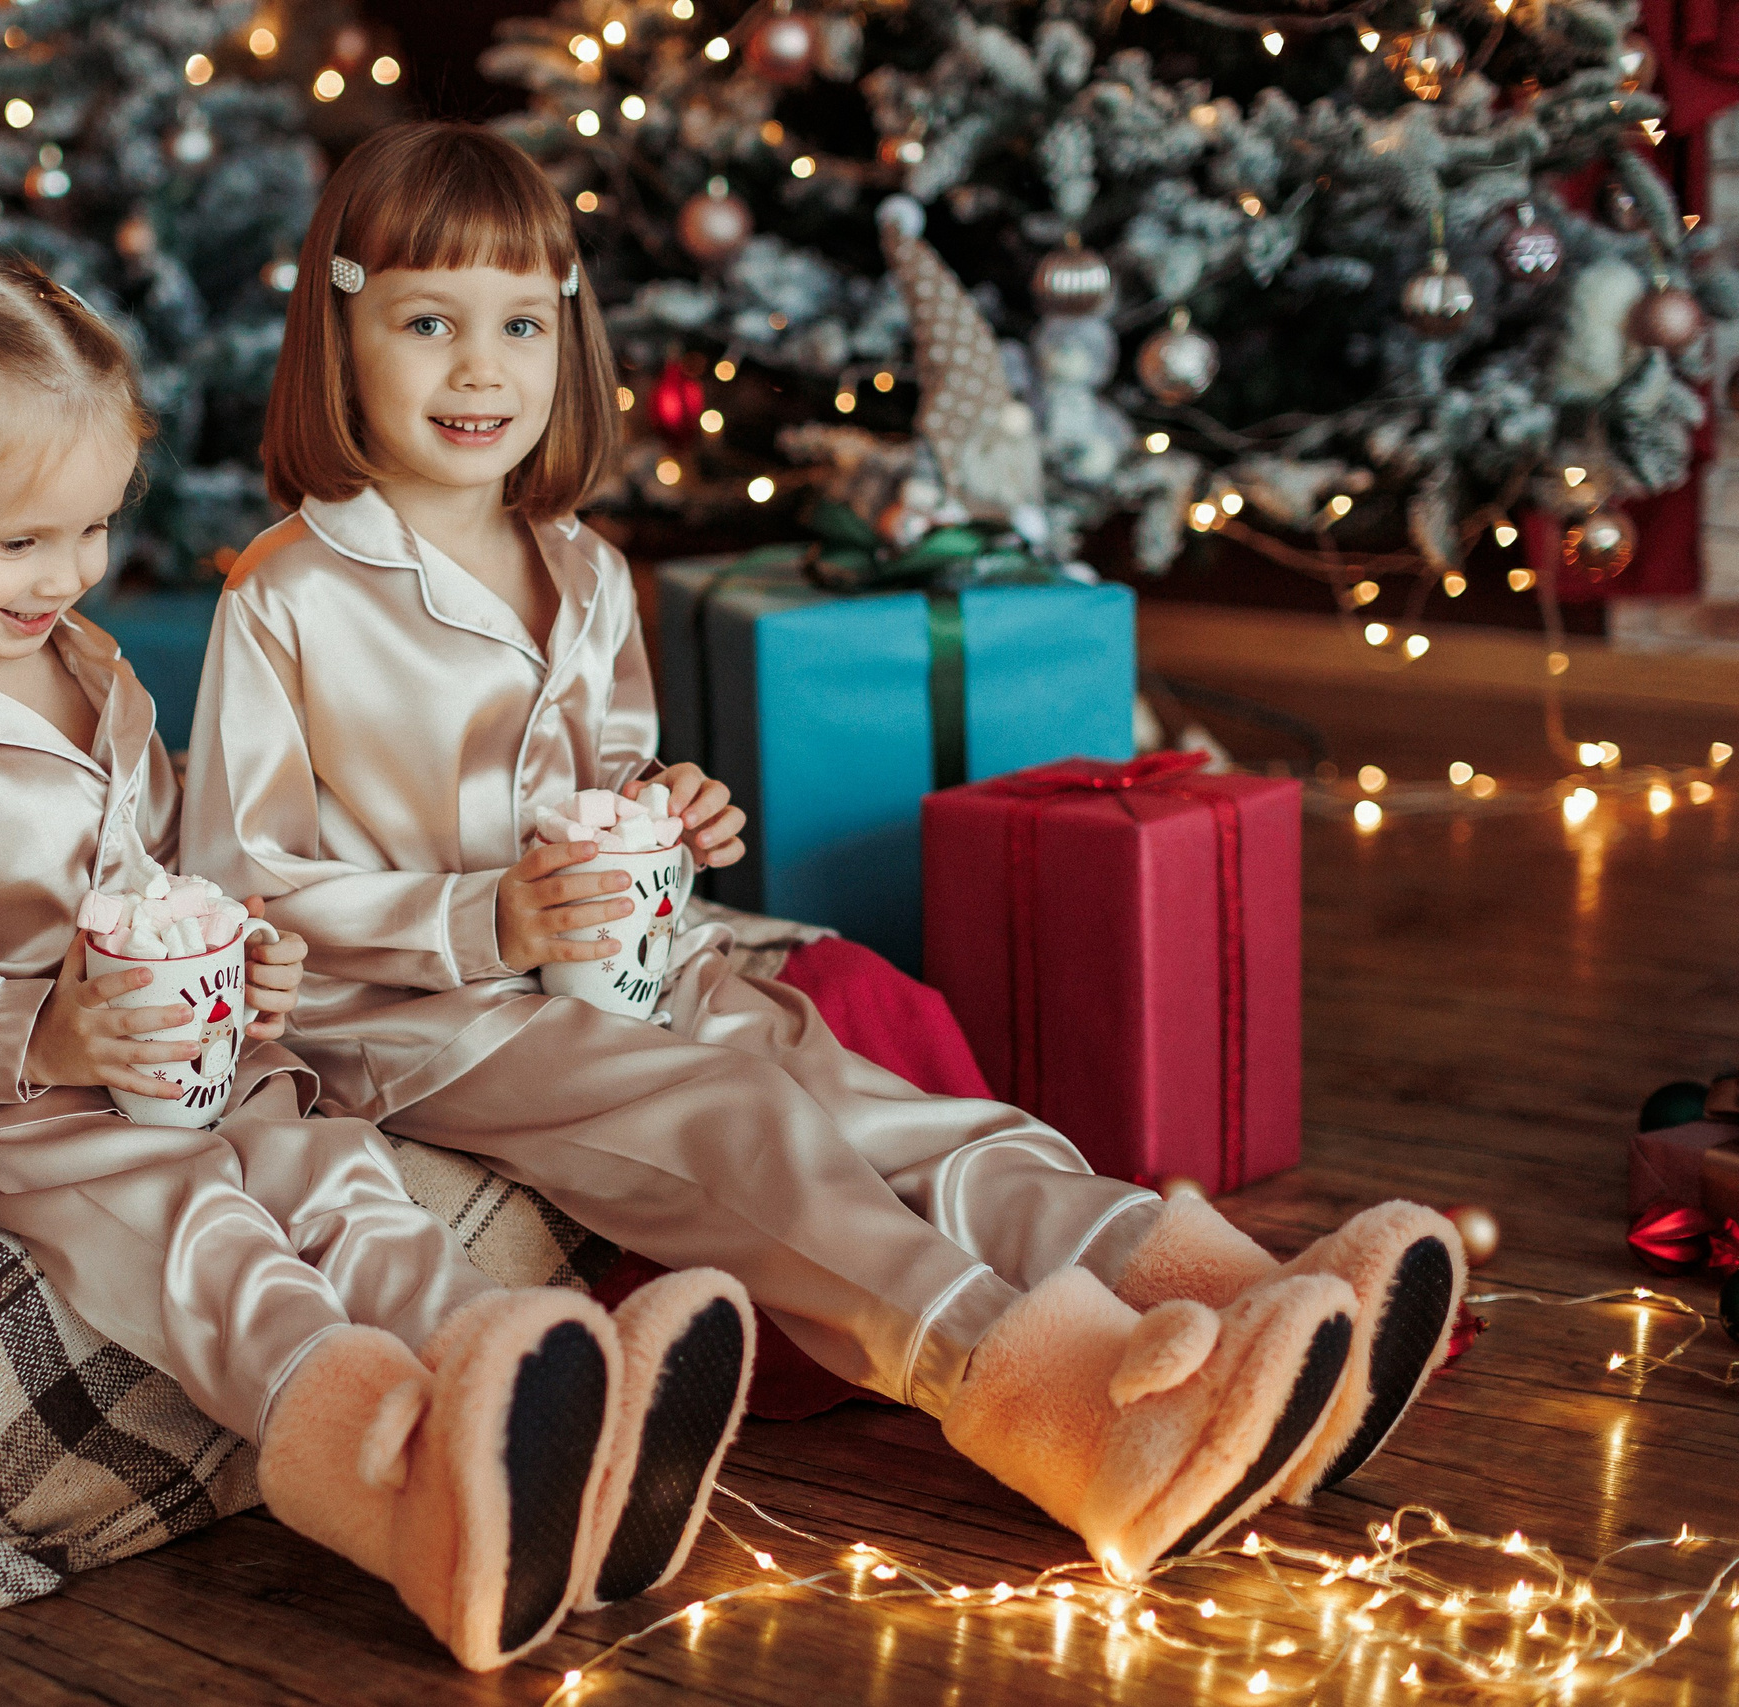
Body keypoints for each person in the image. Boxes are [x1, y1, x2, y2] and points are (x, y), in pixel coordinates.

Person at [181, 122, 1466, 1583]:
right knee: (736, 1121)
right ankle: (1046, 1399)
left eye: (521, 326)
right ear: (338, 339)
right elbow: (246, 885)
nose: (482, 371)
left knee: (880, 1099)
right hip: (427, 1016)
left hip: (627, 962)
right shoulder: (288, 594)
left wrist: (667, 812)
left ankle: (1223, 1295)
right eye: (429, 324)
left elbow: (600, 778)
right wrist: (492, 922)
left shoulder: (585, 566)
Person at [0, 252, 751, 1670]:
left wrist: (244, 950)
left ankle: (558, 1399)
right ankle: (410, 1504)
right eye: (22, 543)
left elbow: (163, 864)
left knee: (339, 1176)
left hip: (179, 1044)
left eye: (94, 529)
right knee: (208, 1238)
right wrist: (46, 1036)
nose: (69, 574)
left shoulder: (92, 669)